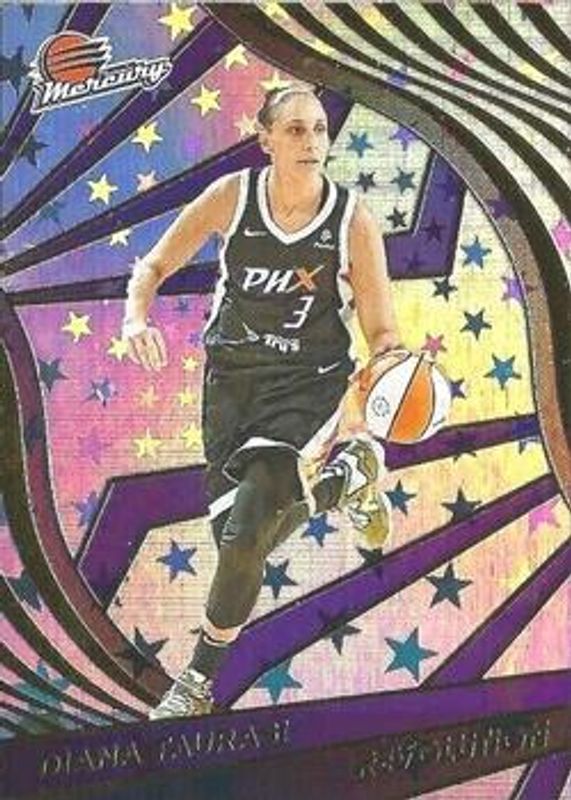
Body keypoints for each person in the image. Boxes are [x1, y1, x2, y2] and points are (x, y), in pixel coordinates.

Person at [122, 85, 401, 720]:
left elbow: (382, 331)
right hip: (232, 383)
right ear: (266, 139)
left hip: (308, 384)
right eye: (296, 130)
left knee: (249, 530)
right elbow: (153, 266)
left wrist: (393, 367)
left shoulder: (351, 220)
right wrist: (136, 319)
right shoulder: (233, 196)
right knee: (237, 541)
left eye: (320, 130)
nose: (312, 142)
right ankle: (345, 480)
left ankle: (197, 682)